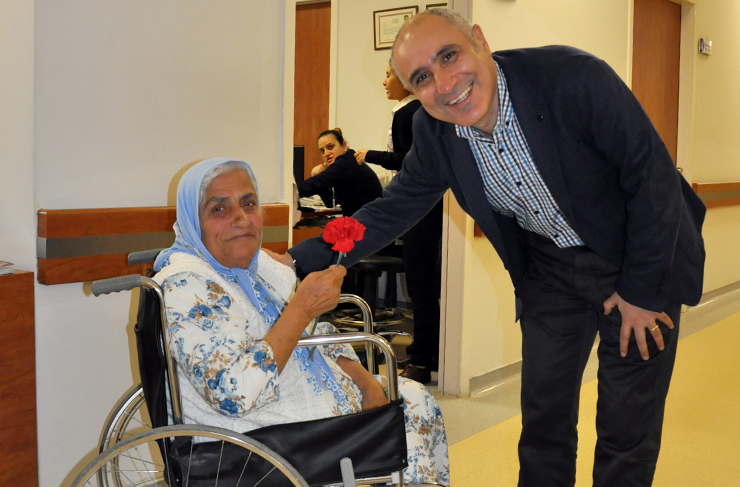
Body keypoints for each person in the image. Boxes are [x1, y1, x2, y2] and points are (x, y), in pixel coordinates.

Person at [281, 9, 707, 487]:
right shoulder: (435, 133)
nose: (444, 84)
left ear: (479, 41)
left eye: (449, 56)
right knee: (544, 422)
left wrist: (643, 292)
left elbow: (653, 180)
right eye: (422, 77)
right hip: (552, 272)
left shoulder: (571, 78)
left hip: (640, 256)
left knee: (626, 428)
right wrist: (298, 258)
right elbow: (388, 210)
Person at [152, 157, 449, 486]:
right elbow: (233, 394)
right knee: (402, 428)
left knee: (413, 397)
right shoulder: (186, 286)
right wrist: (301, 309)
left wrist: (368, 384)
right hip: (261, 435)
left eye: (248, 203)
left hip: (308, 400)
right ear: (193, 221)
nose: (240, 219)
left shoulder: (261, 266)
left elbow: (318, 333)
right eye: (218, 209)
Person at [355, 62, 443, 384]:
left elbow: (408, 160)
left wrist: (371, 154)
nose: (384, 81)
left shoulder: (409, 112)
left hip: (419, 208)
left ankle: (421, 361)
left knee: (421, 287)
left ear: (406, 81)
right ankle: (426, 353)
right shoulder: (418, 111)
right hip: (427, 207)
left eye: (389, 75)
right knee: (424, 286)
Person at [298, 128, 382, 217]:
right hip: (364, 219)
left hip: (371, 221)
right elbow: (330, 203)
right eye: (322, 151)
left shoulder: (346, 162)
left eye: (330, 147)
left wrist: (291, 192)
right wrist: (319, 174)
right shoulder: (342, 168)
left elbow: (315, 183)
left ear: (344, 146)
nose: (326, 153)